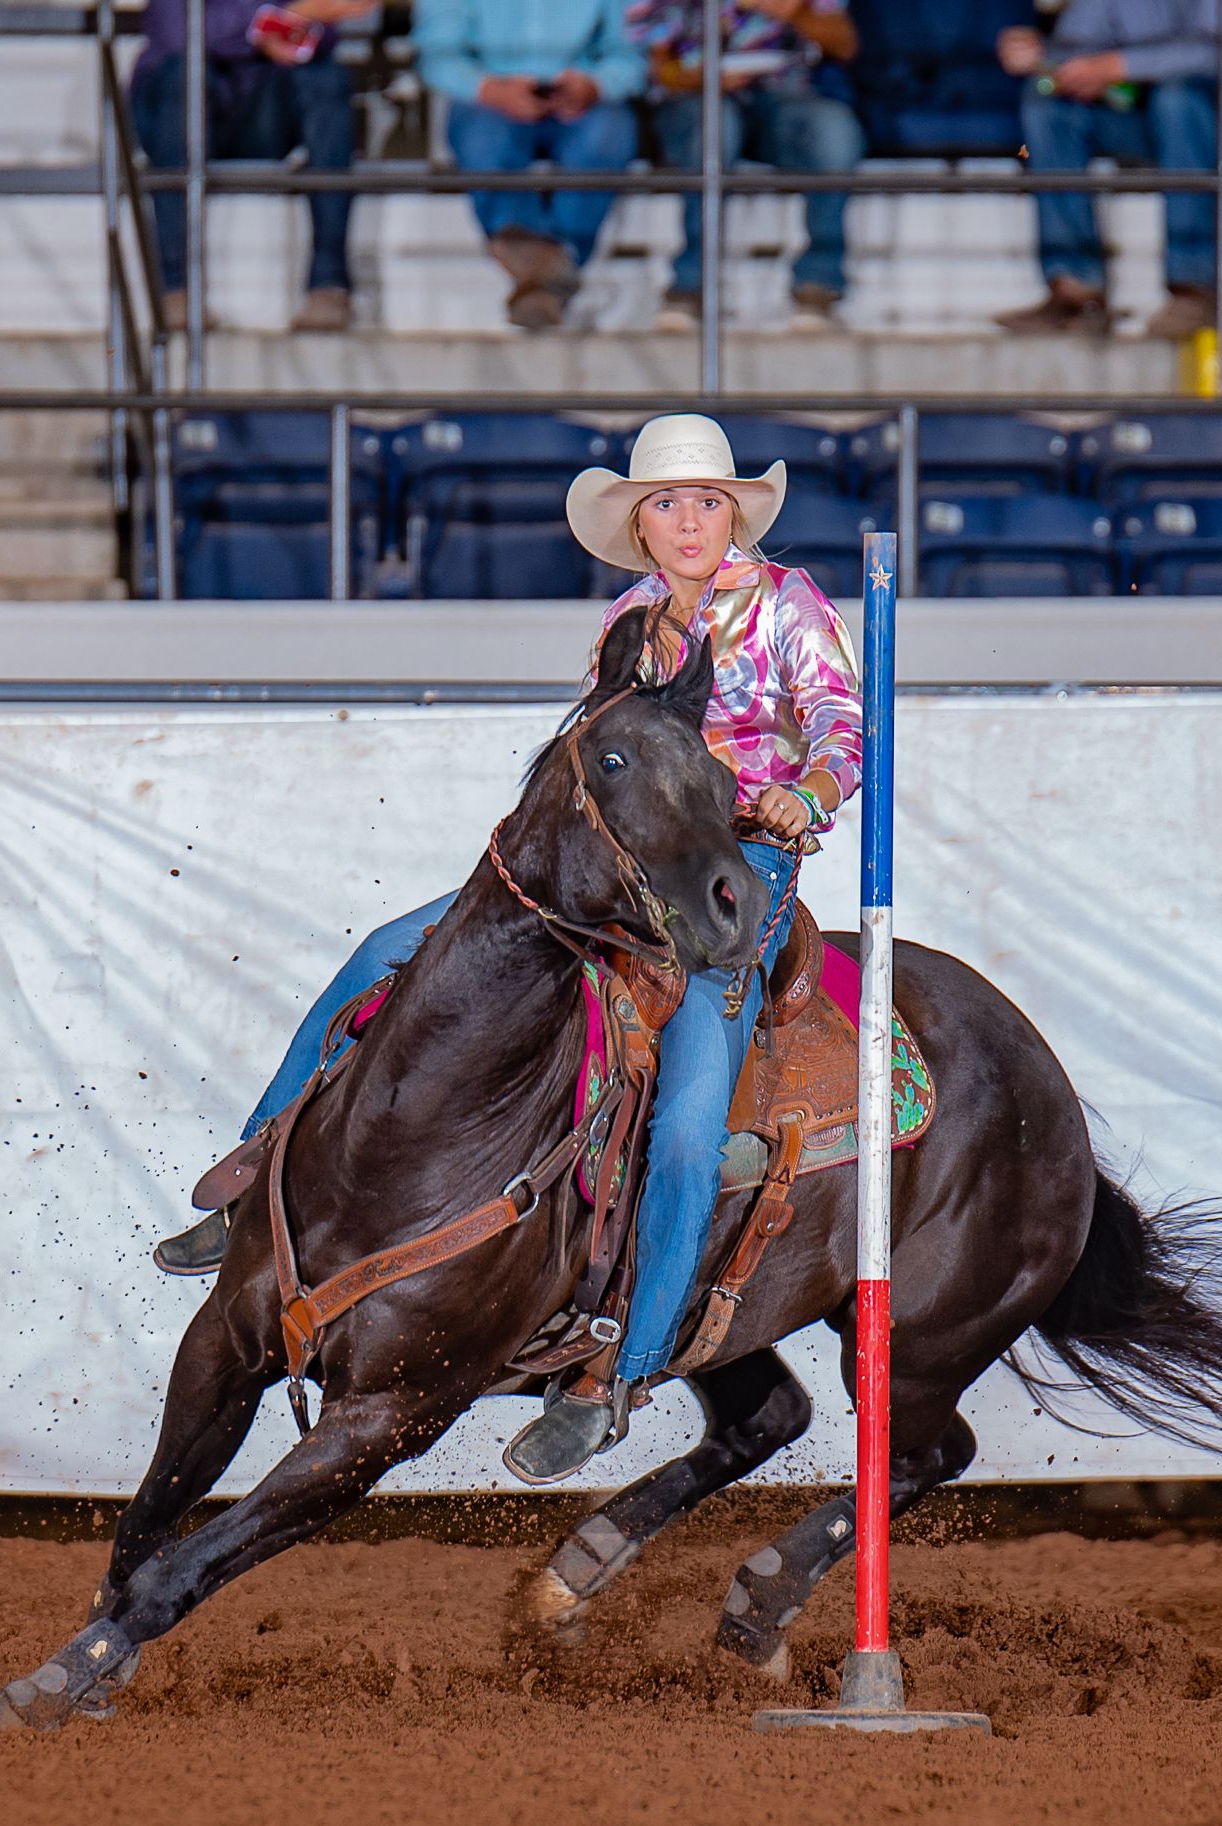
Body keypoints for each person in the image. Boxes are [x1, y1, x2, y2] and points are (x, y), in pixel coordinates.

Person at [156, 413, 864, 1486]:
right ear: (640, 522)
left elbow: (843, 727)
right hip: (616, 861)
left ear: (733, 514)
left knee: (683, 1129)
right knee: (390, 954)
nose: (686, 520)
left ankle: (619, 1377)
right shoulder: (628, 622)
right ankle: (258, 1166)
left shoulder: (787, 606)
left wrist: (798, 793)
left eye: (705, 502)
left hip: (733, 862)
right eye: (666, 504)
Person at [992, 0, 1222, 341]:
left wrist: (1113, 67)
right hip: (1161, 106)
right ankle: (1075, 292)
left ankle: (1194, 289)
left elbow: (1210, 53)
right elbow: (1077, 45)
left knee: (1179, 99)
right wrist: (1041, 56)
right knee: (1048, 104)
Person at [131, 0, 374, 334]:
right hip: (181, 110)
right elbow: (180, 33)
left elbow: (324, 33)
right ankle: (177, 289)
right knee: (184, 74)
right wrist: (274, 22)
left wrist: (278, 27)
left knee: (326, 77)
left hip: (261, 110)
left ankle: (328, 286)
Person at [628, 0, 864, 335]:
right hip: (695, 97)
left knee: (833, 129)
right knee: (715, 126)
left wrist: (792, 12)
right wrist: (697, 78)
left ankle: (818, 284)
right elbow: (653, 66)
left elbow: (845, 44)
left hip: (784, 98)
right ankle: (690, 285)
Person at [415, 0, 644, 331]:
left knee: (608, 133)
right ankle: (551, 268)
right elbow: (438, 52)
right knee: (483, 136)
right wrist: (489, 89)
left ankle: (542, 271)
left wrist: (595, 85)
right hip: (490, 96)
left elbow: (629, 52)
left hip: (583, 99)